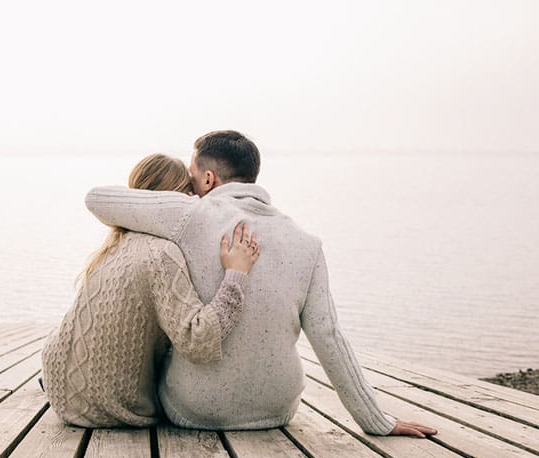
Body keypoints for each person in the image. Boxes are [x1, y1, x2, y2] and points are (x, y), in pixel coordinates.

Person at [85, 131, 437, 438]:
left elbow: (97, 199)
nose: (189, 192)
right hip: (277, 412)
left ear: (208, 180)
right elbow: (329, 337)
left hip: (193, 412)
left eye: (191, 182)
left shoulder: (189, 216)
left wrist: (175, 201)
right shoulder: (307, 244)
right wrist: (378, 421)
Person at [41, 153, 260, 428]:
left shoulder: (114, 245)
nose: (196, 202)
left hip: (59, 386)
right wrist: (236, 275)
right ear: (174, 199)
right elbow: (198, 341)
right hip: (108, 407)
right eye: (190, 194)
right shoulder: (162, 254)